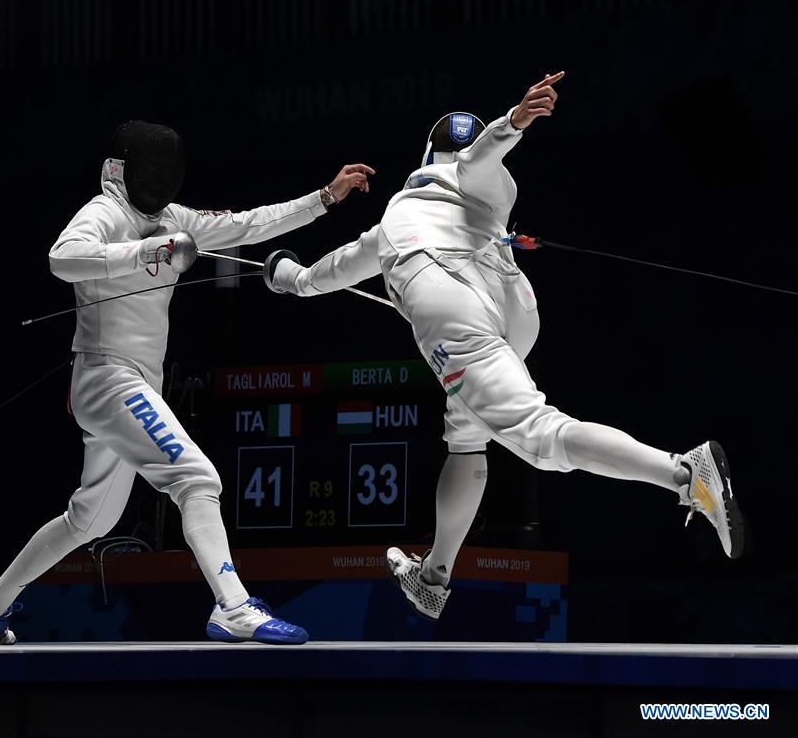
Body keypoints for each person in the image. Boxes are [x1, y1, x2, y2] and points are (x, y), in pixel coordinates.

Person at [262, 73, 744, 622]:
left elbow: (328, 271)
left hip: (455, 303)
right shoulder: (460, 201)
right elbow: (333, 270)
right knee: (467, 435)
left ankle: (685, 472)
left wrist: (512, 123)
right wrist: (293, 277)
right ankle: (434, 577)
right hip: (511, 310)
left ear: (426, 153)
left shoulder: (411, 209)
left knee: (539, 438)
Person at [0, 120, 374, 644]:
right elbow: (62, 259)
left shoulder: (175, 217)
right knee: (197, 479)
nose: (158, 179)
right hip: (107, 377)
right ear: (123, 169)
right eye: (150, 168)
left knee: (90, 520)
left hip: (131, 386)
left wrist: (323, 200)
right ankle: (234, 606)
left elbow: (248, 225)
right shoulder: (104, 212)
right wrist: (151, 252)